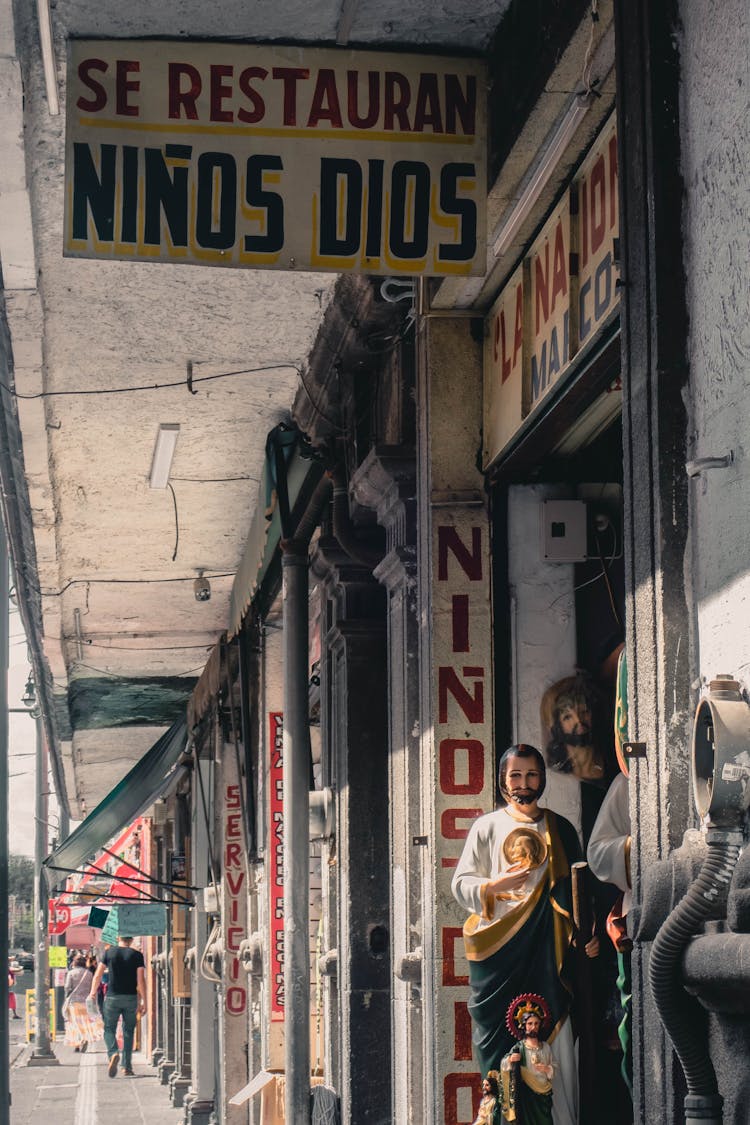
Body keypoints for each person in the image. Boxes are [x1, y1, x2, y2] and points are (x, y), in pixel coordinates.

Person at [452, 744, 597, 1125]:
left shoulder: (559, 828)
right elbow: (461, 884)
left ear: (542, 779)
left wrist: (588, 935)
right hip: (500, 956)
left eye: (531, 775)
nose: (524, 783)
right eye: (515, 775)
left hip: (551, 955)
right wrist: (493, 886)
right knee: (498, 1046)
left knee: (557, 1044)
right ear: (503, 781)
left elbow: (581, 892)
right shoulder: (487, 827)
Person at [89, 935, 146, 1078]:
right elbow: (140, 980)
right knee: (128, 1031)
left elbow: (98, 975)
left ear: (118, 937)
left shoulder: (109, 953)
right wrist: (144, 1000)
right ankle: (126, 1067)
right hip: (131, 998)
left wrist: (92, 993)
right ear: (132, 940)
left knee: (109, 1029)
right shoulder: (137, 955)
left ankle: (113, 1053)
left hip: (112, 997)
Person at [500, 1001, 555, 1124]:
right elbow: (504, 1064)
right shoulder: (519, 1048)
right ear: (523, 1026)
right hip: (526, 1095)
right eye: (530, 1024)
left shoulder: (545, 1047)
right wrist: (510, 1059)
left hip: (543, 1093)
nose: (533, 1027)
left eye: (536, 1023)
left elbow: (554, 1066)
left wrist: (546, 1069)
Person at [63, 953, 104, 1051]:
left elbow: (67, 987)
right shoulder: (89, 973)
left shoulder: (71, 973)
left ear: (74, 963)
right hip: (86, 1002)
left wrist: (66, 996)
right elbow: (92, 987)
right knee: (85, 1022)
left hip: (74, 1002)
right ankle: (85, 1039)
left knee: (75, 1023)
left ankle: (77, 1044)